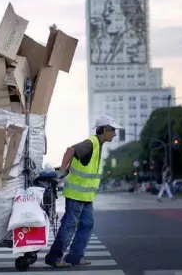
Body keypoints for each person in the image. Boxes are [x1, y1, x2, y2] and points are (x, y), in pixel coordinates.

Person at [45, 115, 118, 268]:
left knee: (87, 224)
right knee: (70, 225)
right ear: (104, 130)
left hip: (85, 196)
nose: (115, 134)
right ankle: (54, 257)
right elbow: (70, 150)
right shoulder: (90, 143)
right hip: (76, 195)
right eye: (113, 130)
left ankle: (75, 256)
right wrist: (62, 171)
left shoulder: (97, 145)